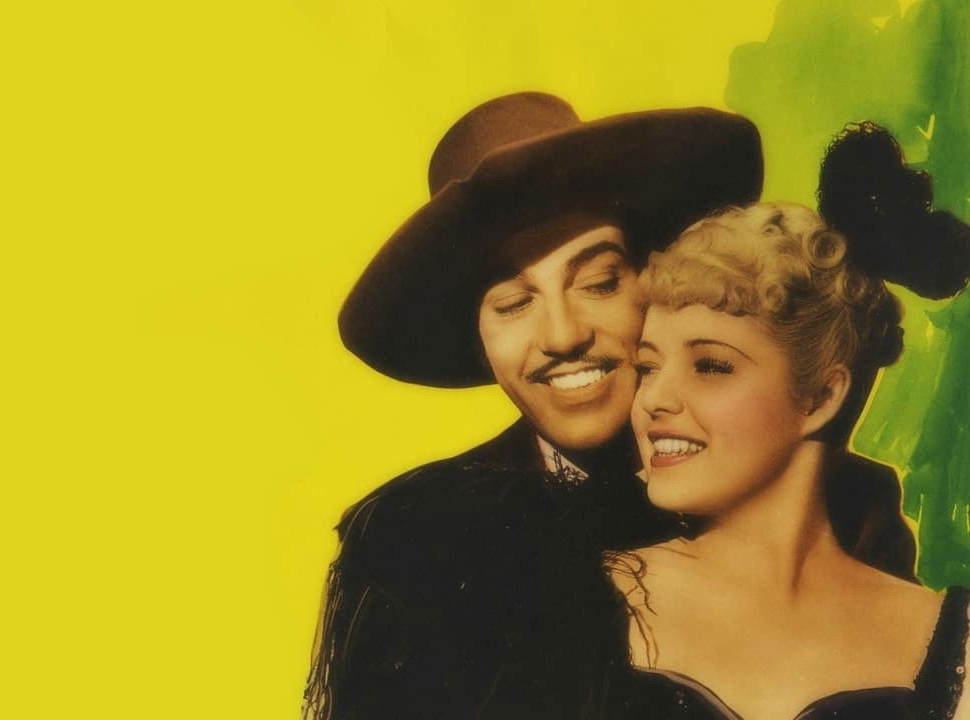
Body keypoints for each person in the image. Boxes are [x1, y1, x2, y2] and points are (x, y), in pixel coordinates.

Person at [306, 93, 915, 720]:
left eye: (599, 283)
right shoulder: (417, 535)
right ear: (479, 341)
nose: (563, 334)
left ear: (654, 286)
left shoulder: (845, 506)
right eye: (514, 303)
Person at [614, 123, 970, 719]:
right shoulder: (580, 598)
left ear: (821, 397)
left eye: (711, 366)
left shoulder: (955, 639)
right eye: (647, 368)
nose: (653, 399)